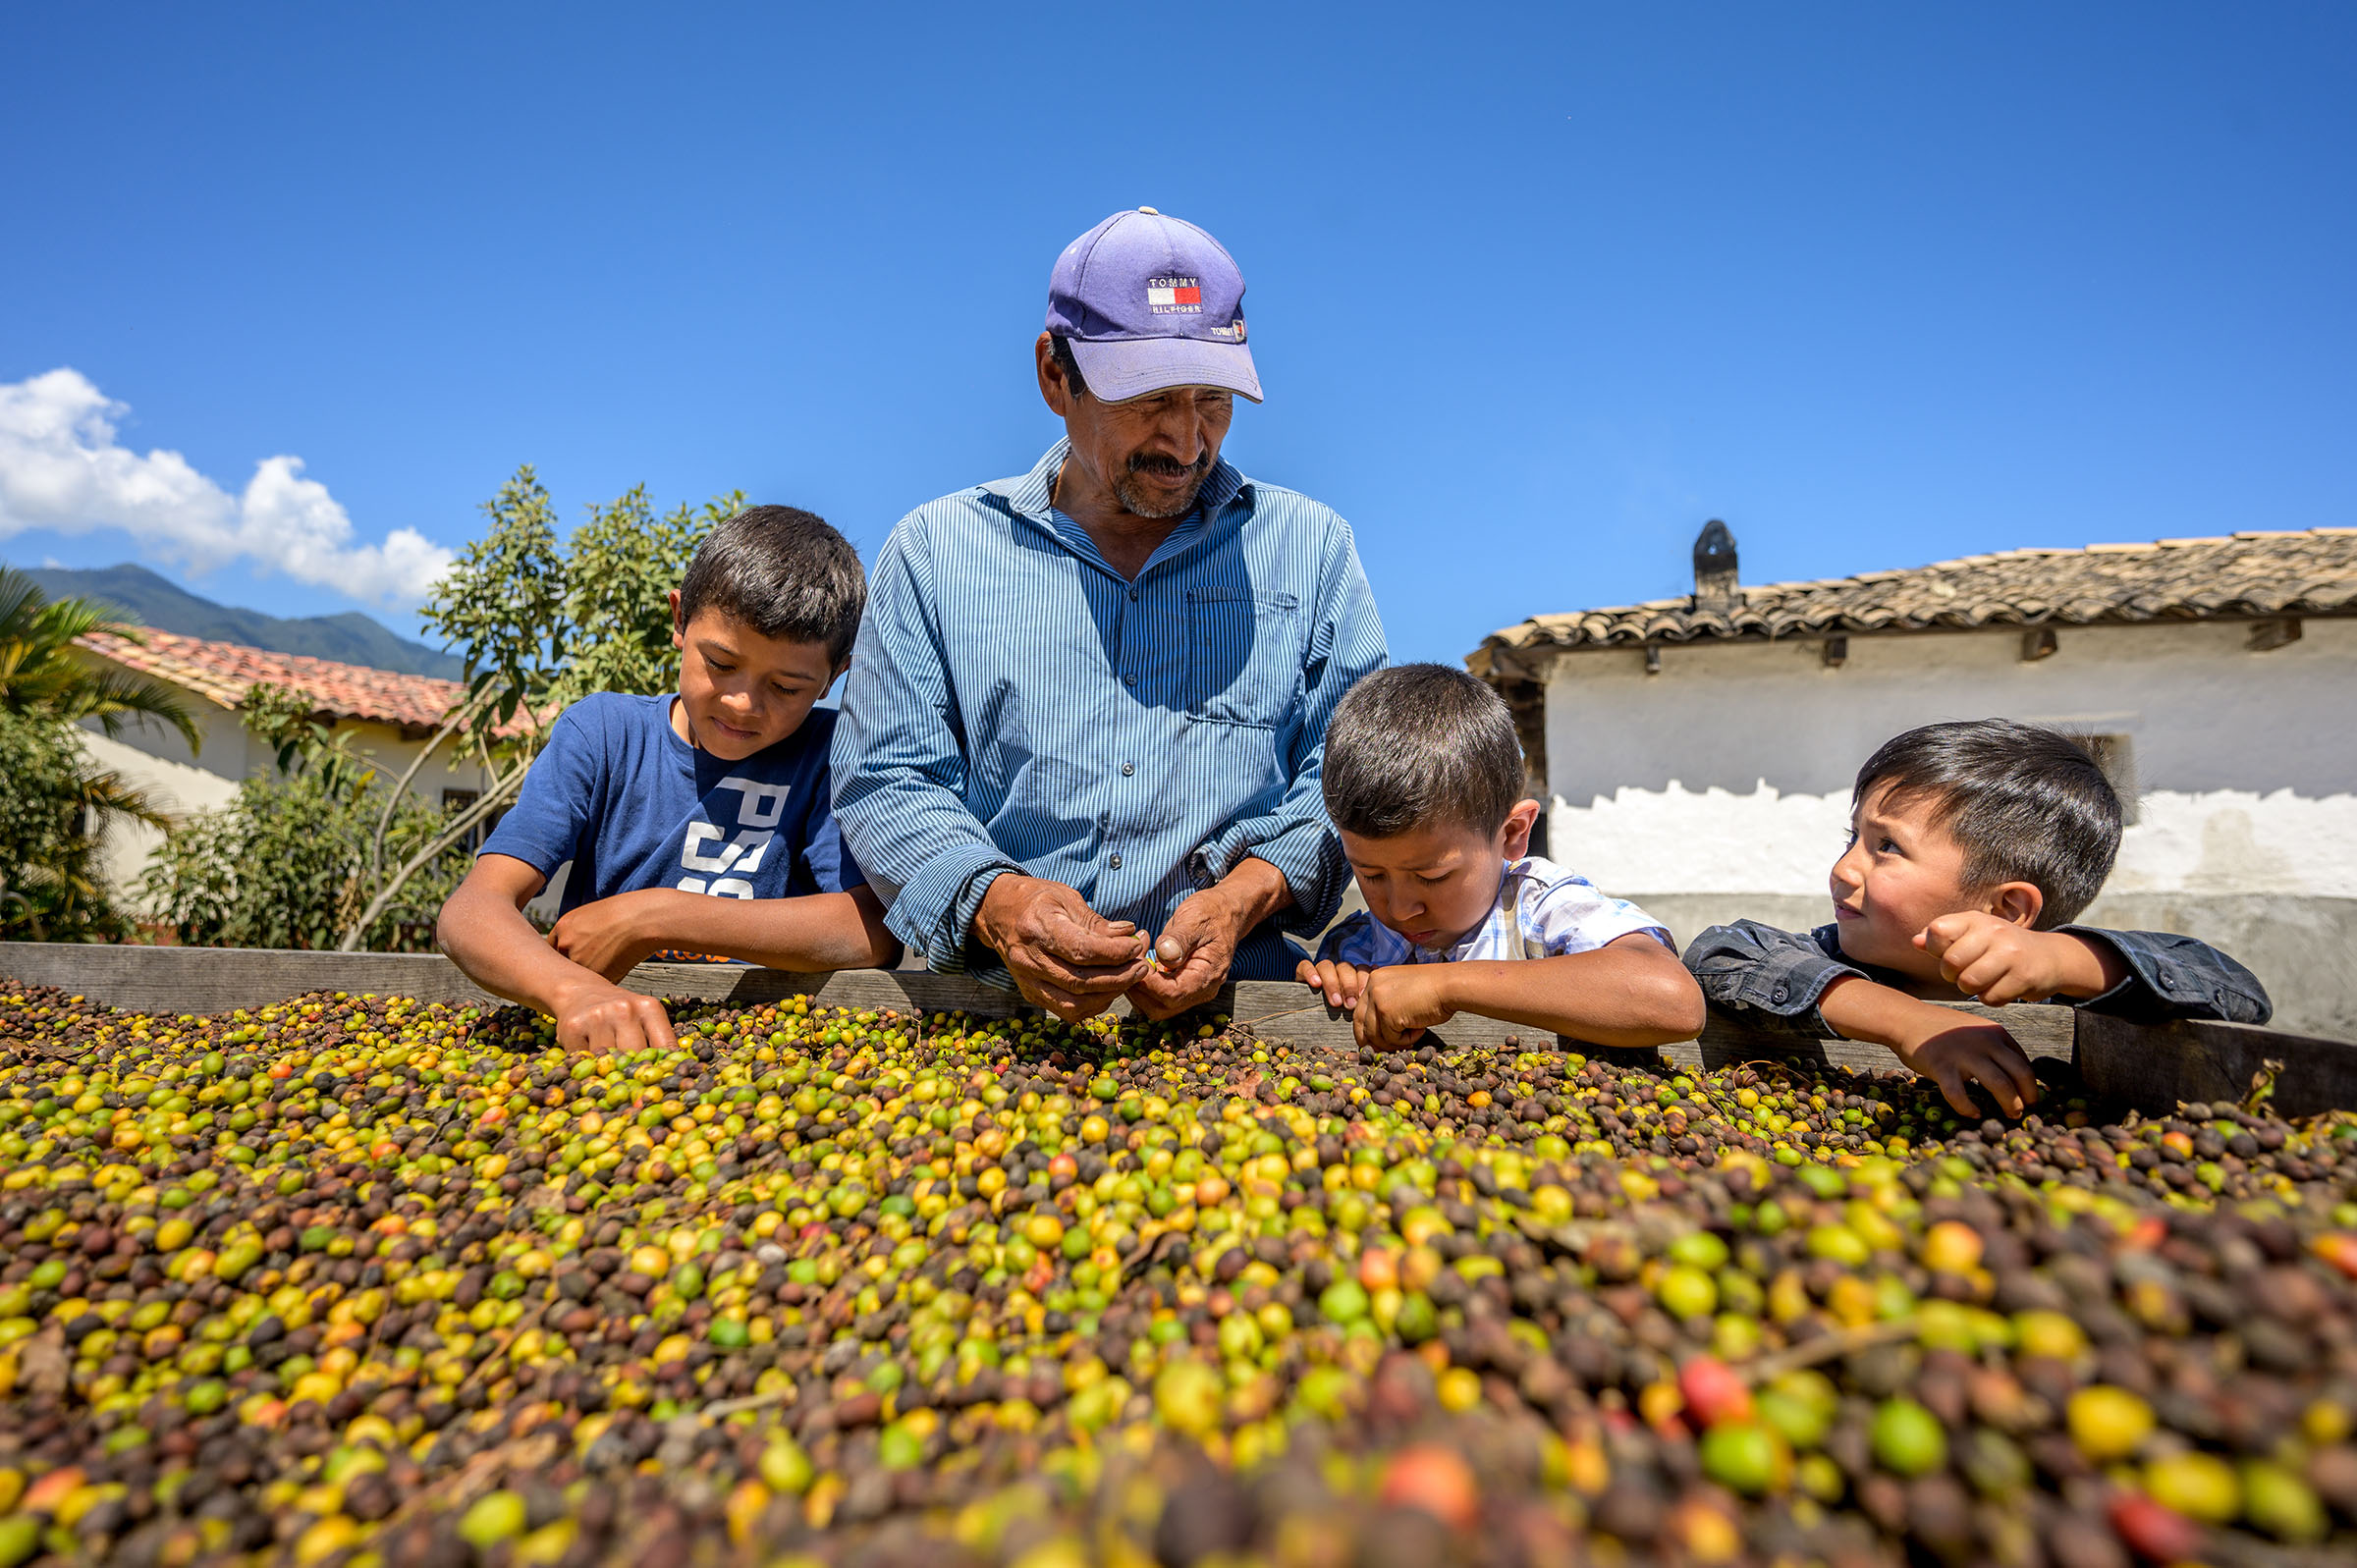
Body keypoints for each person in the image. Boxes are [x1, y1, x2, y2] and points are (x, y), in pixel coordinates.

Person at [831, 207, 1386, 1022]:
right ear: (1056, 375)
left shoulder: (1312, 549)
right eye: (1150, 397)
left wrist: (1242, 898)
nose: (1189, 440)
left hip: (1246, 1024)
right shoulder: (934, 551)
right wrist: (998, 901)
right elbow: (887, 779)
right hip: (996, 1022)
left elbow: (1346, 785)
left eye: (1214, 398)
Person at [439, 506, 898, 1052]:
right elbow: (472, 911)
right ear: (680, 621)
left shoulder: (830, 756)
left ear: (833, 677)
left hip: (767, 1053)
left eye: (786, 688)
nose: (742, 703)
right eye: (721, 664)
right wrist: (572, 992)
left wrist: (651, 915)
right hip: (595, 1048)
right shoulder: (603, 734)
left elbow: (870, 931)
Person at [1683, 719, 2272, 1116]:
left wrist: (2064, 960)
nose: (1843, 869)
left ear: (2009, 909)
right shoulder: (1824, 957)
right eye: (1852, 837)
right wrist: (1908, 1023)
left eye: (1885, 847)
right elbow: (1722, 954)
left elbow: (2240, 995)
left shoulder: (2056, 983)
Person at [1294, 665, 1706, 1052]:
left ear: (1511, 834)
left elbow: (1673, 1000)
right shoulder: (1354, 945)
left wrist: (1444, 986)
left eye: (1433, 877)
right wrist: (1336, 988)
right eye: (1371, 875)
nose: (1400, 908)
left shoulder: (1538, 908)